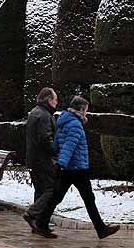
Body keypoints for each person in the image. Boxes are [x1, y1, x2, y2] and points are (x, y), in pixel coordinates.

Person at [38, 95, 120, 240]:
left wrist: (60, 162)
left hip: (68, 168)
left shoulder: (63, 121)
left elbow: (57, 144)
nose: (86, 113)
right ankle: (101, 229)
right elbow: (69, 146)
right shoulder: (75, 124)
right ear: (81, 109)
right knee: (88, 199)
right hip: (77, 168)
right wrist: (62, 163)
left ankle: (41, 222)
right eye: (86, 110)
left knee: (57, 197)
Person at [23, 87, 59, 238]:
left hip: (34, 158)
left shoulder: (35, 112)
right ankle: (33, 214)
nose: (57, 102)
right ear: (49, 100)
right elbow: (45, 138)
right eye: (55, 99)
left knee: (40, 189)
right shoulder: (44, 115)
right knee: (52, 189)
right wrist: (55, 151)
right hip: (43, 159)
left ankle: (37, 224)